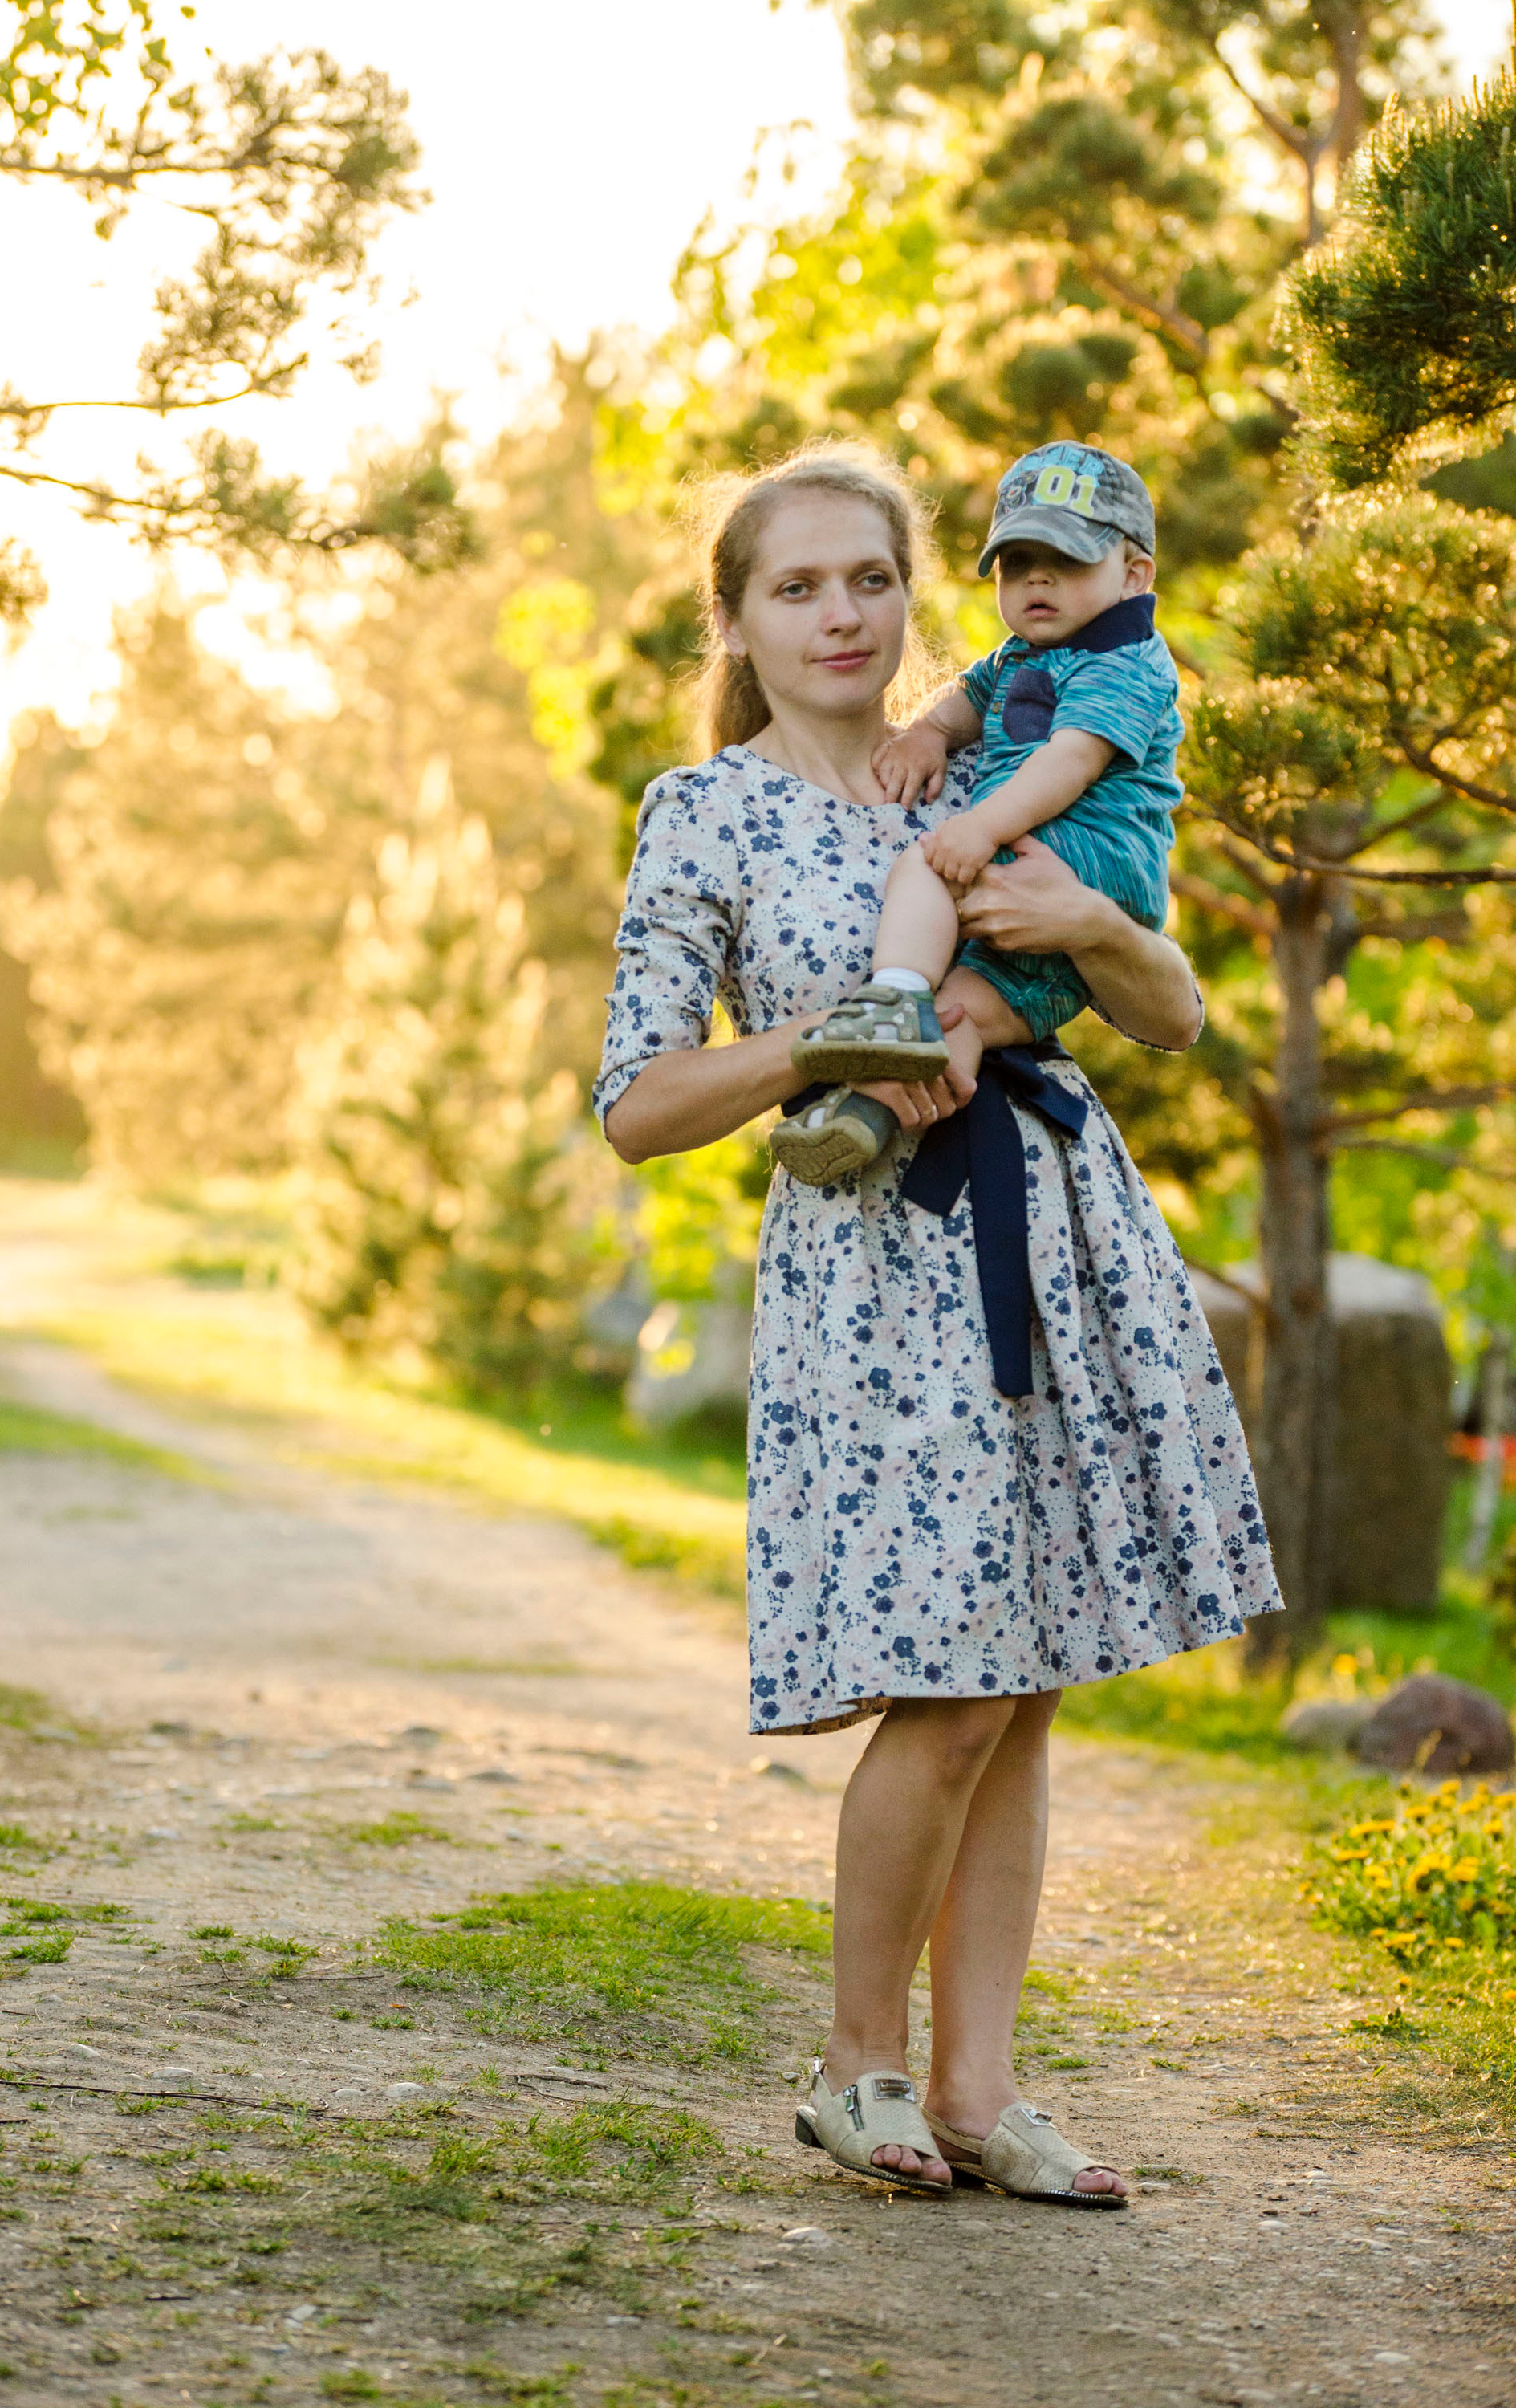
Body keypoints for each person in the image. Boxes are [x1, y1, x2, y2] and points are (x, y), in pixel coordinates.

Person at [596, 441, 1281, 2203]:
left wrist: (1088, 926)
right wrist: (827, 1047)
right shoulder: (709, 810)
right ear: (739, 622)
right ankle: (857, 2068)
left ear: (921, 594)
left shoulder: (1005, 755)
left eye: (872, 579)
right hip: (878, 1269)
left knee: (1029, 1682)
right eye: (799, 586)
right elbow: (640, 1103)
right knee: (952, 1686)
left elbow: (1176, 1007)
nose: (844, 615)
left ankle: (979, 2091)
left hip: (1060, 1229)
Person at [772, 441, 1181, 1187]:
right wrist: (928, 732)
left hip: (1087, 852)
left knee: (925, 865)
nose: (1039, 581)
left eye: (1068, 560)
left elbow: (1071, 760)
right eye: (1019, 564)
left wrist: (978, 828)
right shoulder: (1026, 652)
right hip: (1057, 870)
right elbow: (969, 697)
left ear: (1134, 575)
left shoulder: (1123, 658)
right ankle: (865, 1120)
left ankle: (893, 995)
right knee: (962, 1013)